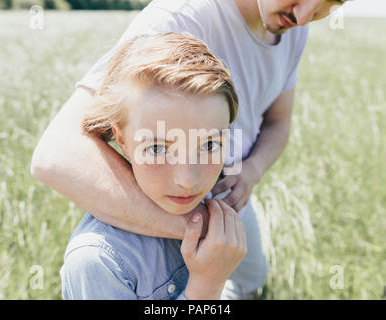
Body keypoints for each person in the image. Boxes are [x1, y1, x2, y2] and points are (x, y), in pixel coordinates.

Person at [32, 0, 348, 299]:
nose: (305, 16)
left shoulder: (294, 31)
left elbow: (278, 122)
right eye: (158, 148)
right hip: (182, 209)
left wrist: (249, 172)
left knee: (251, 283)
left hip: (222, 195)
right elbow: (55, 155)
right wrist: (199, 239)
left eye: (330, 4)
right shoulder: (177, 19)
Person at [60, 32, 247, 300]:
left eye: (208, 145)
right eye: (157, 149)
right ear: (122, 139)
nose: (187, 180)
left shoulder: (215, 199)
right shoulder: (98, 261)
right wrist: (207, 286)